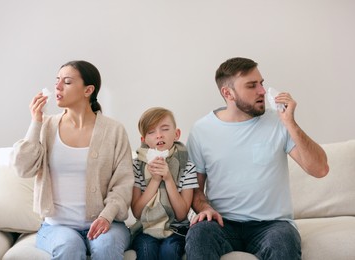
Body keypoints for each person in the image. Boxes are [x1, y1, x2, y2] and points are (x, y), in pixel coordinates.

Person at [185, 57, 329, 260]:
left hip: (272, 225)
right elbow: (196, 190)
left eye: (261, 83)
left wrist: (290, 123)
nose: (262, 91)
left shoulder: (278, 122)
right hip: (222, 222)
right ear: (228, 93)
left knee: (282, 241)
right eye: (251, 86)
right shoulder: (202, 130)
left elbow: (320, 169)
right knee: (199, 233)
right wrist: (205, 208)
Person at [11, 60, 134, 260]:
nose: (57, 87)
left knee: (106, 246)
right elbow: (23, 169)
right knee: (69, 247)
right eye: (57, 81)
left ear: (88, 90)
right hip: (56, 227)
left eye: (67, 82)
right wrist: (36, 121)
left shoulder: (114, 130)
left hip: (107, 223)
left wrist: (106, 216)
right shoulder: (46, 126)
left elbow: (124, 183)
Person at [131, 107, 199, 260]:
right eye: (151, 132)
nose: (159, 135)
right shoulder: (136, 166)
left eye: (165, 129)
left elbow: (181, 214)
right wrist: (155, 180)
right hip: (146, 229)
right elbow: (136, 212)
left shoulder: (187, 167)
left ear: (177, 134)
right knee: (147, 250)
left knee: (169, 251)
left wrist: (168, 178)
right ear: (144, 140)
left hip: (176, 229)